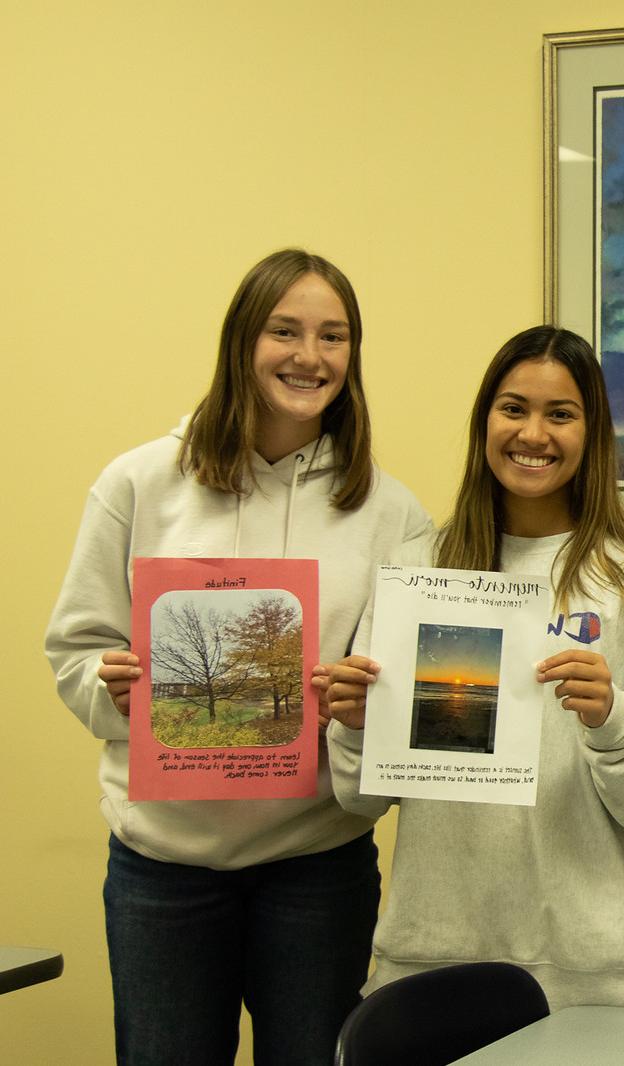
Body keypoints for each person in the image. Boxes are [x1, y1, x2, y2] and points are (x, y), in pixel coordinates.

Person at [44, 249, 433, 1065]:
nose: (309, 355)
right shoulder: (139, 483)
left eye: (333, 336)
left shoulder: (391, 512)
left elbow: (391, 705)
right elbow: (77, 651)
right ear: (240, 342)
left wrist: (366, 706)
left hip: (316, 867)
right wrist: (107, 692)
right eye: (283, 330)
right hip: (164, 870)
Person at [318, 326, 624, 1011]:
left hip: (601, 966)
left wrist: (614, 717)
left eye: (560, 414)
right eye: (513, 408)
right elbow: (359, 798)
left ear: (592, 433)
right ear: (483, 423)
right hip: (430, 953)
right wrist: (358, 724)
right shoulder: (419, 571)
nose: (533, 433)